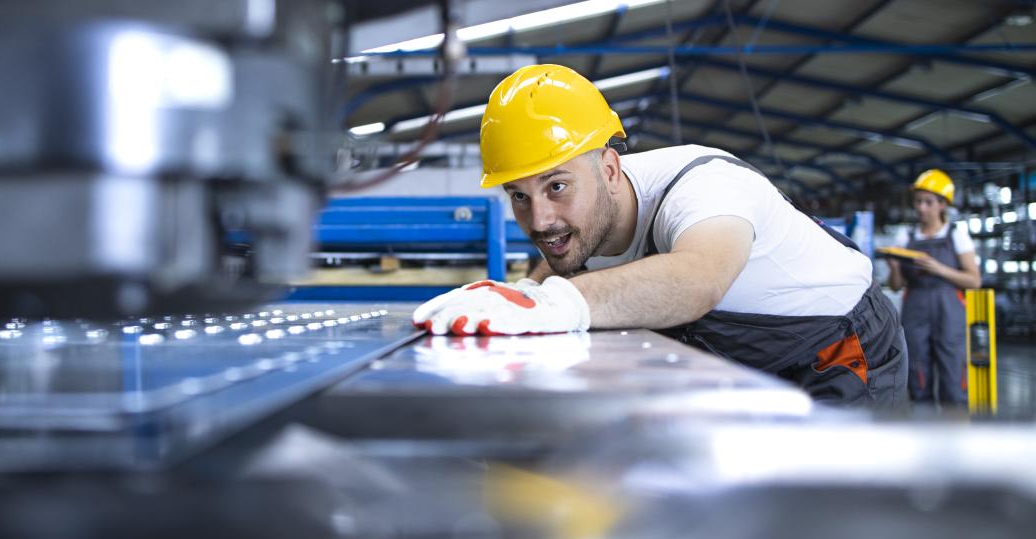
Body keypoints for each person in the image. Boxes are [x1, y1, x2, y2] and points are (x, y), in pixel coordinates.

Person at [412, 63, 908, 408]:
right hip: (747, 360)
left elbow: (699, 278)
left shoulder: (704, 185)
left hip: (840, 349)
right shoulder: (586, 218)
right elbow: (564, 256)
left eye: (556, 186)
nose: (539, 220)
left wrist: (556, 303)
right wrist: (525, 294)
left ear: (610, 169)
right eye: (519, 196)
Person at [886, 170, 980, 407]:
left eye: (928, 202)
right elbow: (895, 286)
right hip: (915, 309)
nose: (921, 207)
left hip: (949, 311)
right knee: (918, 378)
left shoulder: (956, 236)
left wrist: (938, 269)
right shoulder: (905, 237)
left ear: (942, 204)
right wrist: (895, 267)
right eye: (918, 201)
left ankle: (956, 427)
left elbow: (974, 280)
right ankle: (923, 428)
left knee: (953, 379)